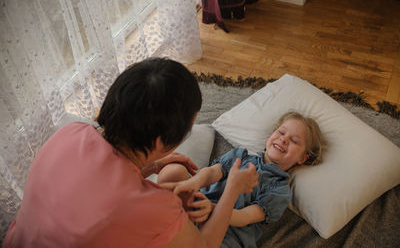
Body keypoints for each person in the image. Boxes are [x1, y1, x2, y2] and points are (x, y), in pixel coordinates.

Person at [3, 57, 259, 248]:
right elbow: (203, 245)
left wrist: (150, 167)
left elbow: (93, 188)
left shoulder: (70, 132)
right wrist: (233, 189)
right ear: (160, 143)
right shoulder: (157, 208)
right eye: (188, 129)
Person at [161, 111, 326, 248]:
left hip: (226, 236)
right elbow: (212, 172)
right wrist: (193, 182)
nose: (283, 139)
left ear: (302, 159)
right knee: (173, 172)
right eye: (281, 132)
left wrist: (211, 208)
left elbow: (246, 217)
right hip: (197, 211)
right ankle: (156, 218)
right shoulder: (241, 156)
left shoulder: (280, 191)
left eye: (294, 141)